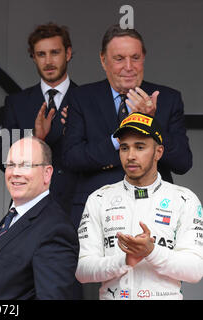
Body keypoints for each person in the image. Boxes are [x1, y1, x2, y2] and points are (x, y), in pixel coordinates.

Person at [63, 25, 192, 230]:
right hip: (97, 214)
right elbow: (72, 158)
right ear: (103, 60)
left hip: (156, 213)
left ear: (144, 58)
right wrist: (119, 139)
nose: (129, 66)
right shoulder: (82, 97)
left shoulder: (168, 99)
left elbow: (183, 162)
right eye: (119, 58)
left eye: (135, 57)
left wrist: (150, 123)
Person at [76, 112, 203, 300]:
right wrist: (125, 260)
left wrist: (151, 252)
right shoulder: (99, 198)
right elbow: (82, 271)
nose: (130, 156)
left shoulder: (184, 199)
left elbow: (194, 271)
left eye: (140, 147)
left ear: (158, 152)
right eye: (124, 148)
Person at [0, 136, 78, 300]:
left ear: (47, 173)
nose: (15, 173)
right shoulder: (14, 216)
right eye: (11, 165)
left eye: (25, 165)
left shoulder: (55, 229)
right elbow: (2, 267)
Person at [2, 23, 77, 214]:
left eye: (55, 52)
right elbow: (5, 160)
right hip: (30, 207)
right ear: (33, 57)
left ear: (68, 54)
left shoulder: (86, 99)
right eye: (41, 54)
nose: (48, 61)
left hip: (76, 206)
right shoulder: (16, 103)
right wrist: (36, 139)